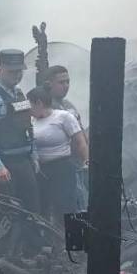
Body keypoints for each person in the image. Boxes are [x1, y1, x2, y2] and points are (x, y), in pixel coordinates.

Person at [0, 48, 41, 258]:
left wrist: (33, 156)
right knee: (5, 217)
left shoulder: (19, 94)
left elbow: (27, 128)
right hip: (4, 166)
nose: (16, 75)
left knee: (31, 212)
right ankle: (1, 263)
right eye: (12, 71)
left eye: (19, 70)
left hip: (23, 162)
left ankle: (30, 258)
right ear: (0, 69)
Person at [27, 86, 88, 223]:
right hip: (41, 170)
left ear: (39, 103)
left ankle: (73, 240)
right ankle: (54, 241)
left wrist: (86, 162)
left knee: (66, 206)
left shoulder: (63, 117)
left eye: (29, 104)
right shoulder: (31, 121)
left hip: (62, 167)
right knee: (44, 207)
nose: (28, 109)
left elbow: (80, 141)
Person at [43, 65, 89, 211]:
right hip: (62, 168)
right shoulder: (46, 108)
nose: (66, 86)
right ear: (49, 84)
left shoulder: (68, 105)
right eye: (61, 82)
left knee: (81, 204)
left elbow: (80, 133)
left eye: (68, 82)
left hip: (78, 164)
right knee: (70, 208)